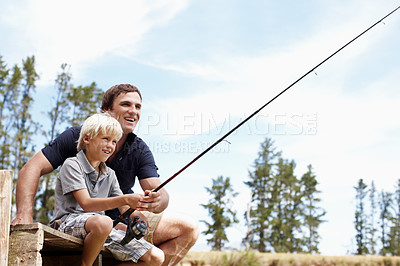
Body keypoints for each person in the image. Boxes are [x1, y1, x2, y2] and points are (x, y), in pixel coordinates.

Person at [12, 84, 199, 265]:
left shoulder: (138, 150)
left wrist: (157, 202)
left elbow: (157, 192)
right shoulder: (76, 138)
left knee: (188, 229)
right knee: (103, 223)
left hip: (118, 218)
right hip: (81, 219)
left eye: (138, 106)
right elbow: (31, 168)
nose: (133, 111)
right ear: (106, 109)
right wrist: (23, 215)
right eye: (126, 104)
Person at [50, 113, 164, 265]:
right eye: (105, 139)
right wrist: (126, 198)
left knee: (157, 257)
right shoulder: (72, 165)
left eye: (114, 141)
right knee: (104, 222)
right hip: (67, 223)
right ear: (87, 138)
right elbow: (86, 204)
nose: (110, 145)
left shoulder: (110, 174)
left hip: (101, 228)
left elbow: (124, 207)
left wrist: (136, 215)